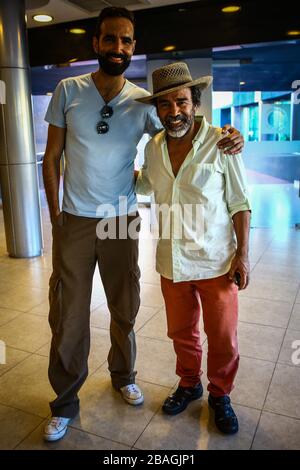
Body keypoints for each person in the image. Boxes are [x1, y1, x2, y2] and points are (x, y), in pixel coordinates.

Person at [42, 6, 244, 442]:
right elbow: (51, 157)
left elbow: (181, 127)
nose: (118, 47)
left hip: (122, 219)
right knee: (69, 314)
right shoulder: (67, 90)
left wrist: (229, 135)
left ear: (134, 47)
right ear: (96, 43)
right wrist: (56, 217)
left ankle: (123, 375)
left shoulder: (141, 101)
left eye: (127, 41)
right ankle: (64, 402)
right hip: (76, 219)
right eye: (110, 39)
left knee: (124, 305)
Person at [135, 62, 251, 435]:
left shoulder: (221, 141)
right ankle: (189, 383)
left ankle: (220, 394)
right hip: (172, 262)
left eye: (181, 102)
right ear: (157, 110)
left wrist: (243, 254)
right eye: (165, 105)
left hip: (217, 261)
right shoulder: (153, 148)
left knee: (222, 337)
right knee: (181, 333)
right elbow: (145, 187)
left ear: (194, 102)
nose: (174, 112)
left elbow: (240, 202)